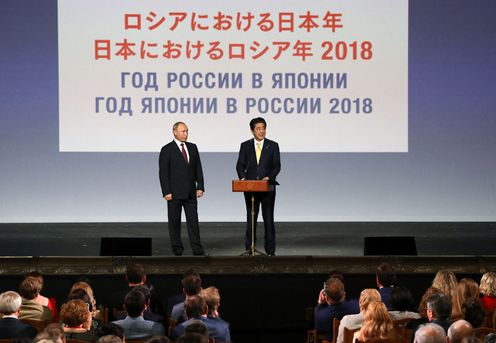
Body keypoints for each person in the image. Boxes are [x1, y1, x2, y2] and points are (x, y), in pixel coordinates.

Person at [159, 121, 206, 256]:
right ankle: (177, 249)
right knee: (174, 222)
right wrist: (166, 191)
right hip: (174, 193)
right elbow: (163, 172)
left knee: (193, 222)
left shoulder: (193, 147)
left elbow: (198, 168)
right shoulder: (167, 149)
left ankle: (197, 248)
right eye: (183, 131)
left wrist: (200, 186)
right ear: (175, 132)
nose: (186, 134)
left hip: (191, 192)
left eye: (187, 131)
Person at [235, 117, 281, 256]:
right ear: (252, 130)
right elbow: (240, 165)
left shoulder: (273, 145)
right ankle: (250, 249)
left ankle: (270, 251)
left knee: (268, 219)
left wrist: (269, 177)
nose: (261, 131)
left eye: (263, 128)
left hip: (268, 188)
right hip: (251, 188)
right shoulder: (245, 145)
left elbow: (277, 166)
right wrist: (243, 179)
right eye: (258, 129)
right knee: (251, 219)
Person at [314, 277, 359, 341]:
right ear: (344, 294)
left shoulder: (321, 315)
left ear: (326, 298)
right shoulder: (357, 306)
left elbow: (318, 329)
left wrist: (319, 304)